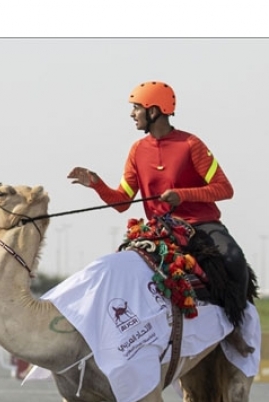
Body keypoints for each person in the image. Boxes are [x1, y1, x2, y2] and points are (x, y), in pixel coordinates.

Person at [67, 80, 252, 335]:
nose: (132, 114)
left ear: (153, 111)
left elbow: (224, 189)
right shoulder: (137, 150)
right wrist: (97, 184)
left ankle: (237, 328)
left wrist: (182, 195)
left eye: (136, 109)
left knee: (234, 260)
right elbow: (123, 201)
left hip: (201, 225)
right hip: (160, 231)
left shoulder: (191, 145)